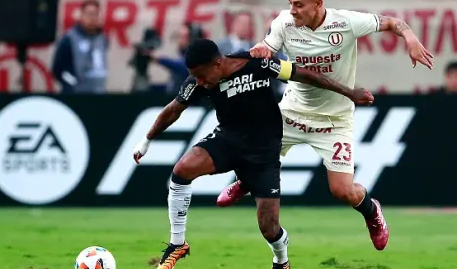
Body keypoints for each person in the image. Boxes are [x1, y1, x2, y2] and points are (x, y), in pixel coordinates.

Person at [216, 0, 434, 252]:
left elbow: (393, 23)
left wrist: (410, 37)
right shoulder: (284, 23)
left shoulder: (347, 22)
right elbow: (268, 47)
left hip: (335, 120)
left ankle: (371, 210)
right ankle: (247, 180)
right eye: (290, 3)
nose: (292, 10)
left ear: (318, 4)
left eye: (299, 5)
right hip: (293, 111)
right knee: (255, 148)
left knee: (343, 191)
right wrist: (263, 49)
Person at [132, 38, 374, 269]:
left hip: (264, 153)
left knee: (269, 228)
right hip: (228, 140)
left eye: (202, 76)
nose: (200, 82)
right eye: (195, 77)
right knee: (182, 170)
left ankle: (281, 260)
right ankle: (178, 243)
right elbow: (173, 110)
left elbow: (303, 74)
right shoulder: (198, 81)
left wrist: (348, 92)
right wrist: (146, 140)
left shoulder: (257, 63)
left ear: (217, 64)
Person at [51, 0, 109, 94]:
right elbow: (57, 70)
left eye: (95, 14)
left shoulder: (103, 38)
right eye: (89, 14)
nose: (92, 18)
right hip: (76, 94)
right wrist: (72, 82)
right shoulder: (69, 38)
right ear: (81, 15)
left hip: (99, 92)